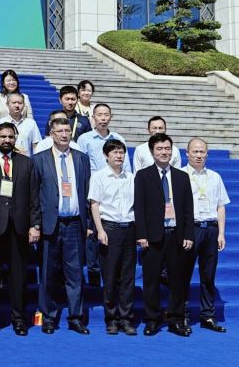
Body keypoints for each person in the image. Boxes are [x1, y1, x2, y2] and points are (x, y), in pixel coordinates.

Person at [0, 122, 40, 337]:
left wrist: (35, 225)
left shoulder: (26, 163)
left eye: (10, 137)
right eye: (2, 136)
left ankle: (19, 319)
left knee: (19, 277)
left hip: (19, 227)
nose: (6, 140)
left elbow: (34, 197)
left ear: (15, 139)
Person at [33, 117, 92, 335]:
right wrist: (35, 224)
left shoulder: (81, 158)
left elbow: (87, 191)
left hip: (75, 224)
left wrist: (88, 223)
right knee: (48, 273)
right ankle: (48, 316)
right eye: (60, 131)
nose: (65, 135)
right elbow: (34, 195)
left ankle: (76, 317)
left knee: (75, 274)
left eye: (67, 130)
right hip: (50, 223)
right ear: (51, 134)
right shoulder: (39, 159)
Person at [134, 132, 194, 337]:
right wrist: (141, 234)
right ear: (152, 152)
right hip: (152, 237)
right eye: (159, 149)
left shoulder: (182, 176)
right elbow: (139, 207)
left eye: (167, 148)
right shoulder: (143, 176)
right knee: (151, 280)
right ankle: (152, 319)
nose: (164, 152)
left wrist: (188, 234)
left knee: (178, 280)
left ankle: (176, 320)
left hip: (176, 235)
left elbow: (188, 208)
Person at [88, 139, 138, 336]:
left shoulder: (131, 177)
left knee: (128, 276)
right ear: (106, 156)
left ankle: (126, 318)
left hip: (129, 228)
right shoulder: (99, 177)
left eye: (121, 152)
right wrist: (100, 230)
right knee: (109, 277)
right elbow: (94, 205)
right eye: (115, 152)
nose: (119, 156)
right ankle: (111, 318)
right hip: (109, 228)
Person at [181, 138, 229, 333]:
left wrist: (221, 233)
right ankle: (182, 315)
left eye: (202, 152)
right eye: (195, 151)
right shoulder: (180, 175)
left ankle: (207, 316)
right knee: (183, 274)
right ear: (187, 153)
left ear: (207, 154)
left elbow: (221, 206)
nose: (199, 155)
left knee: (208, 276)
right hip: (190, 229)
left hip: (210, 229)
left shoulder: (215, 177)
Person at [77, 103, 132, 173]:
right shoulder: (84, 139)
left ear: (110, 117)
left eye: (106, 115)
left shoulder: (118, 138)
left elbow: (126, 165)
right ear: (93, 117)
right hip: (92, 178)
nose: (103, 118)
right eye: (99, 115)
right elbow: (80, 164)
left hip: (115, 178)